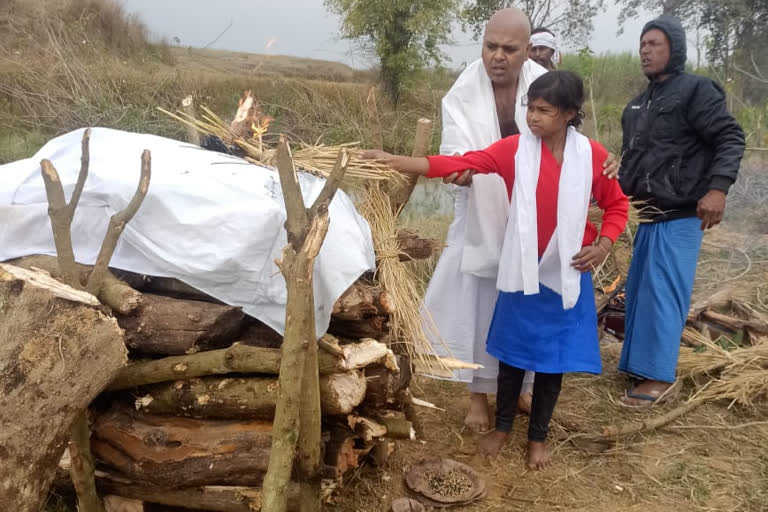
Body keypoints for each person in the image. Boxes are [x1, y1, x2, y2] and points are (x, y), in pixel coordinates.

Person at [364, 71, 629, 469]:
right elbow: (458, 162)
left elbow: (617, 206)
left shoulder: (591, 156)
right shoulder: (514, 150)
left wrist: (602, 245)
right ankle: (503, 426)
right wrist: (395, 161)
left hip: (564, 275)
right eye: (530, 108)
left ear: (570, 113)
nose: (533, 117)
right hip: (521, 273)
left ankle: (537, 438)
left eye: (544, 110)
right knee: (512, 357)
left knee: (551, 365)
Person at [424, 7, 620, 435]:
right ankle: (478, 393)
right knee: (478, 297)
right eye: (490, 46)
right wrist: (458, 166)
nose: (497, 56)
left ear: (526, 49)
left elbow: (580, 146)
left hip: (537, 213)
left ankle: (523, 389)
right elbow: (455, 147)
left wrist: (608, 165)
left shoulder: (544, 85)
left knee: (531, 302)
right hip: (481, 201)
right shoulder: (463, 88)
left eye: (509, 49)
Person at [616, 16, 745, 407]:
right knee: (641, 293)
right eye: (642, 44)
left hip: (682, 213)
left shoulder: (696, 91)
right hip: (648, 215)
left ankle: (659, 379)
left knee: (665, 295)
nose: (646, 50)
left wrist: (717, 189)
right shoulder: (637, 104)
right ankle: (640, 367)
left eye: (655, 43)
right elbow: (632, 159)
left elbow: (730, 136)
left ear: (675, 48)